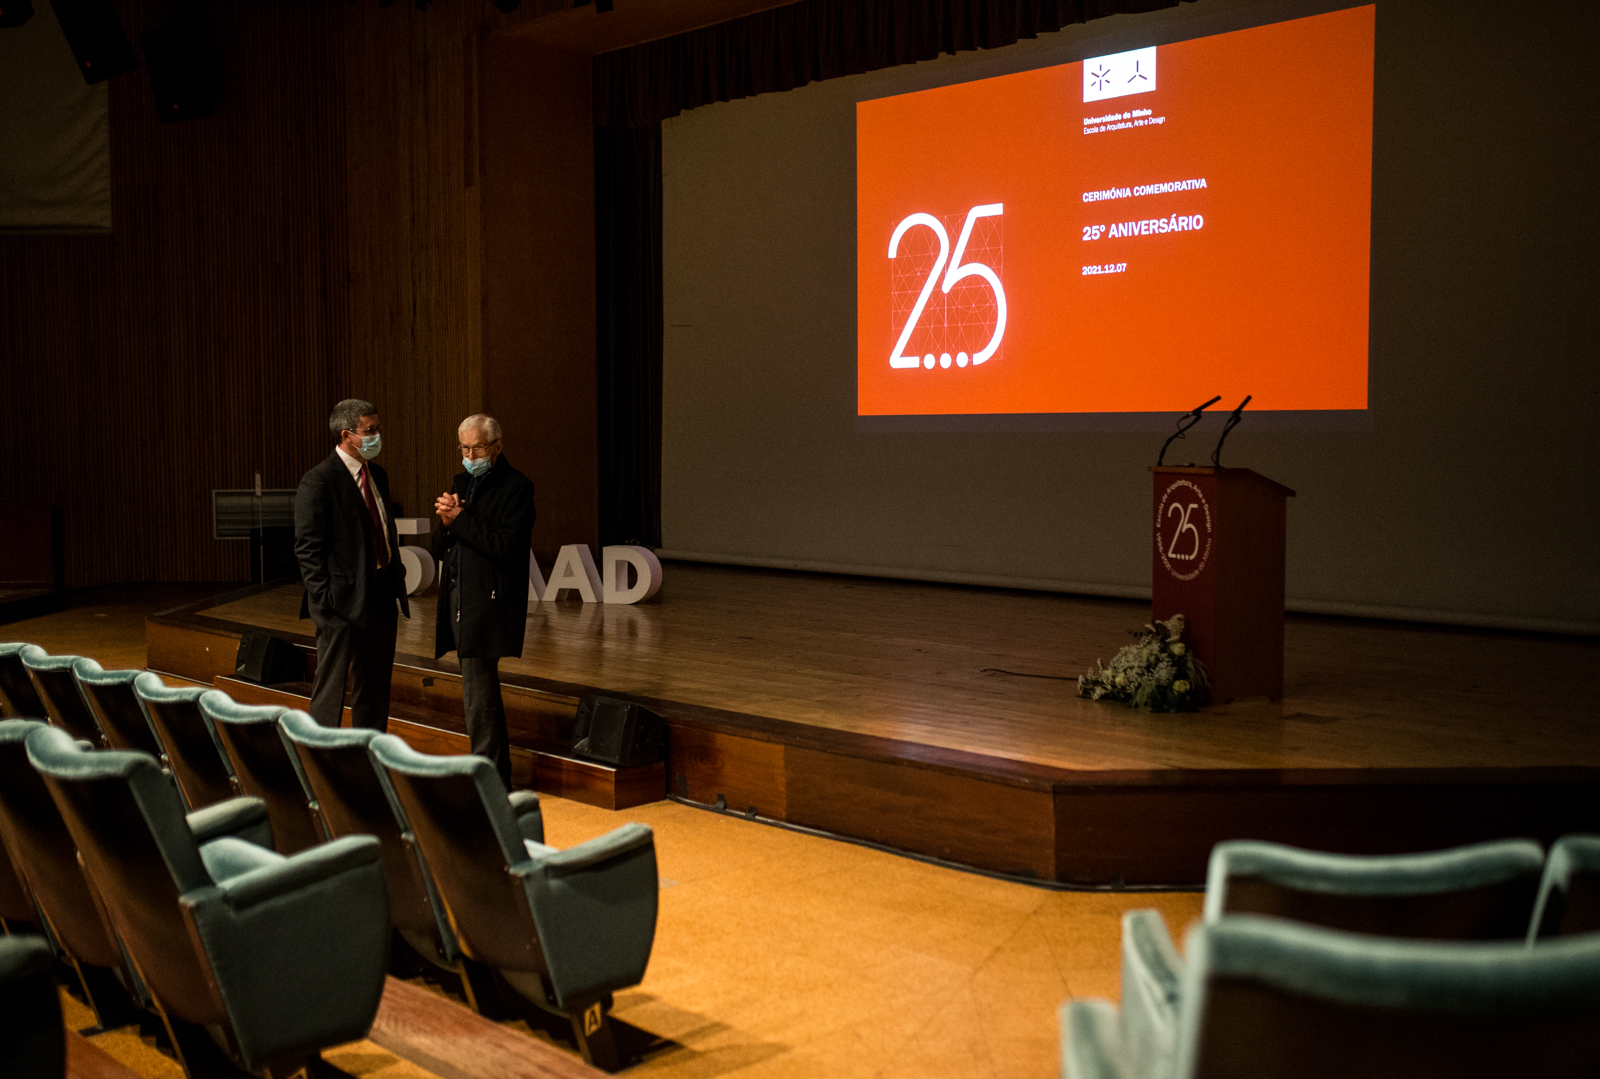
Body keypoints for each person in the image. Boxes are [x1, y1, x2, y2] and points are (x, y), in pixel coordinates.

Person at [432, 414, 536, 786]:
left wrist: (459, 519)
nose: (469, 454)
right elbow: (441, 548)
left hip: (488, 604)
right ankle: (491, 774)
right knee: (478, 692)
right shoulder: (463, 482)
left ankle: (490, 779)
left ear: (497, 447)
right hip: (459, 599)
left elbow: (505, 547)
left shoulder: (517, 488)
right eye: (464, 447)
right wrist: (446, 523)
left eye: (477, 447)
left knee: (479, 694)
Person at [294, 398, 409, 729]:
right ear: (346, 435)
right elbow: (307, 548)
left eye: (378, 429)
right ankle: (321, 764)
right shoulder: (319, 480)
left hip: (381, 594)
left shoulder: (379, 476)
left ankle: (369, 759)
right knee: (330, 692)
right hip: (340, 604)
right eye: (369, 431)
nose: (376, 436)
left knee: (374, 689)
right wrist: (325, 600)